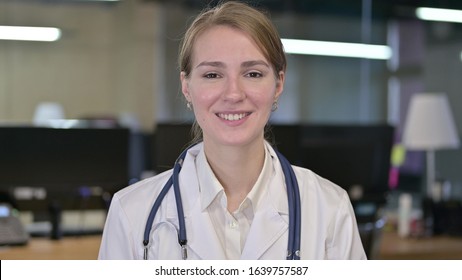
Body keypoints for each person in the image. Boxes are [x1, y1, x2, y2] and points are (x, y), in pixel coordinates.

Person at [98, 0, 366, 260]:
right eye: (212, 75)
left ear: (279, 83)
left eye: (253, 74)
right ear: (186, 86)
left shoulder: (329, 208)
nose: (234, 94)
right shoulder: (131, 213)